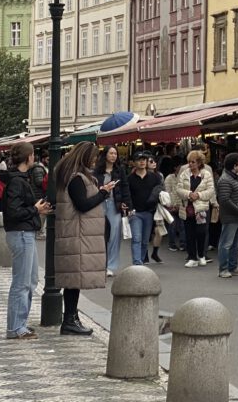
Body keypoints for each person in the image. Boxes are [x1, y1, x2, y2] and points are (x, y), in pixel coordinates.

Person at [53, 141, 115, 336]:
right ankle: (69, 320)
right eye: (94, 157)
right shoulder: (76, 178)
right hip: (77, 235)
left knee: (75, 280)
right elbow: (83, 204)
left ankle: (72, 317)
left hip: (76, 234)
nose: (96, 160)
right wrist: (104, 193)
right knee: (73, 281)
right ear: (85, 157)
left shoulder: (72, 175)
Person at [3, 143, 50, 339]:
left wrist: (37, 209)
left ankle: (20, 323)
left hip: (25, 231)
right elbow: (13, 211)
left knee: (30, 280)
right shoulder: (17, 181)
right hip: (21, 233)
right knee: (21, 282)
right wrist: (35, 210)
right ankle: (15, 327)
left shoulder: (20, 179)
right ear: (29, 157)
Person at [95, 145, 133, 277]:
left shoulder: (119, 170)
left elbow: (125, 187)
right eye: (111, 153)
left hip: (114, 204)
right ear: (105, 154)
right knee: (99, 234)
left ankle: (111, 265)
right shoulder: (97, 171)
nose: (113, 156)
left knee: (114, 235)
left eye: (115, 154)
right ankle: (100, 263)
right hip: (99, 204)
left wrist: (127, 204)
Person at [176, 150, 215, 268]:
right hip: (187, 208)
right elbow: (178, 189)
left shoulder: (206, 174)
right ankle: (192, 257)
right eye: (189, 162)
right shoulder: (184, 174)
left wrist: (198, 195)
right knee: (189, 233)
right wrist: (188, 194)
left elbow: (210, 190)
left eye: (193, 162)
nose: (190, 164)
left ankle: (202, 255)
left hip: (201, 208)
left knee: (201, 232)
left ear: (199, 163)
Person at [126, 151, 160, 266]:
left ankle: (140, 261)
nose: (142, 162)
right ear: (134, 162)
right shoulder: (129, 179)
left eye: (144, 159)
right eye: (139, 159)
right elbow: (127, 194)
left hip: (149, 212)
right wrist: (129, 208)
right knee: (136, 238)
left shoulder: (154, 177)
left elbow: (160, 191)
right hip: (135, 212)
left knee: (145, 240)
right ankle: (137, 263)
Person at [216, 152, 238, 278]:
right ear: (234, 165)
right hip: (231, 216)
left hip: (237, 215)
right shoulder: (225, 180)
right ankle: (223, 269)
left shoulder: (232, 177)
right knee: (226, 243)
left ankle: (232, 267)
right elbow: (224, 199)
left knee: (235, 243)